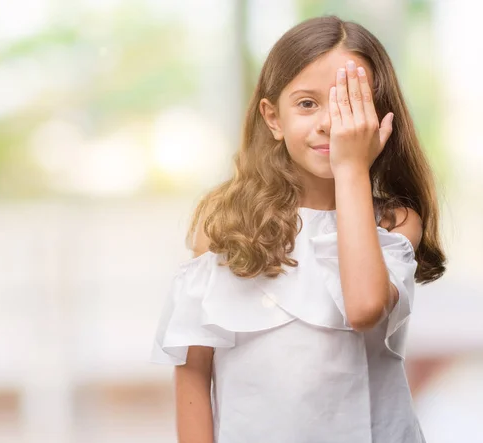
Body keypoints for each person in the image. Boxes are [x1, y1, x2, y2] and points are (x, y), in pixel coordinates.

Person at [150, 15, 446, 443]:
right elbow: (193, 373)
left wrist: (350, 168)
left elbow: (364, 309)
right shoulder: (226, 224)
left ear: (379, 117)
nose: (328, 122)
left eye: (347, 104)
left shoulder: (394, 222)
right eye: (308, 104)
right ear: (273, 118)